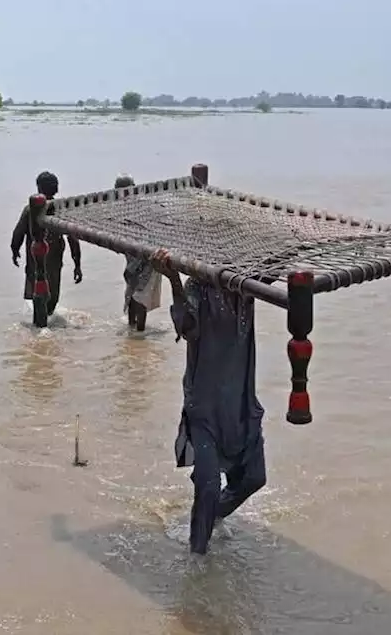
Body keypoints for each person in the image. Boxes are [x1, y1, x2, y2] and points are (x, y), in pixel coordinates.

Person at [151, 248, 266, 555]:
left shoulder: (245, 287)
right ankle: (196, 561)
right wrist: (173, 279)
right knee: (208, 486)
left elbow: (272, 274)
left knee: (255, 478)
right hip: (205, 405)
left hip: (240, 401)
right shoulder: (197, 287)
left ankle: (213, 516)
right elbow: (186, 328)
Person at [11, 171, 82, 316]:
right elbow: (73, 238)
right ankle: (48, 322)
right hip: (54, 260)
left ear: (39, 188)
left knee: (37, 292)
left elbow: (18, 232)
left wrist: (14, 250)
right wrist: (77, 264)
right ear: (56, 188)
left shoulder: (31, 209)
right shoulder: (61, 208)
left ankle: (41, 328)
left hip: (35, 261)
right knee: (53, 294)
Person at [115, 175, 162, 331]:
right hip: (133, 258)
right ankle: (132, 328)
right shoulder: (118, 208)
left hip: (148, 257)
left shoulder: (142, 207)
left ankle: (139, 331)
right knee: (132, 293)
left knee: (141, 295)